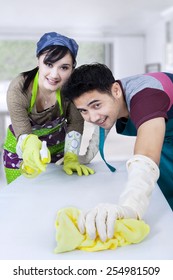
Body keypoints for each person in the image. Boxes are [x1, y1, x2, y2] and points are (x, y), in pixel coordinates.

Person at [62, 62, 173, 242]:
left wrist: (130, 207)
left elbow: (146, 154)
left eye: (96, 105)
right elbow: (102, 124)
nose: (92, 117)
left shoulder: (146, 97)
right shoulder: (112, 95)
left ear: (116, 90)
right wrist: (82, 157)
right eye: (83, 111)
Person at [3, 32, 94, 184]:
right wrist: (29, 143)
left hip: (57, 149)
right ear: (38, 61)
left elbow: (75, 123)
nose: (54, 74)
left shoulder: (71, 90)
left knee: (54, 195)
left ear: (72, 69)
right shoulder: (19, 88)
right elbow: (22, 128)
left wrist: (71, 156)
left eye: (64, 67)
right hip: (20, 150)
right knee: (21, 196)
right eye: (49, 64)